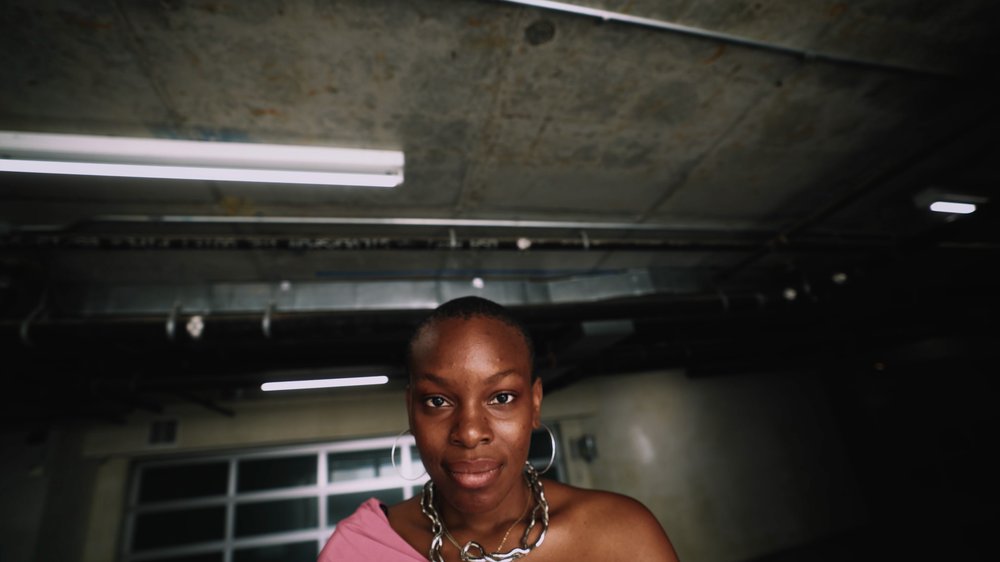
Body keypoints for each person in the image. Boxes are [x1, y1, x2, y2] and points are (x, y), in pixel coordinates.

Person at [318, 296, 679, 561]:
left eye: (502, 397)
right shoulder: (358, 551)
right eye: (438, 401)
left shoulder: (621, 536)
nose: (471, 433)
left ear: (535, 404)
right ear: (411, 411)